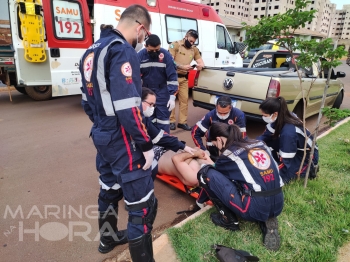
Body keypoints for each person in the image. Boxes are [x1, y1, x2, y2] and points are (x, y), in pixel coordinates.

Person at [79, 6, 158, 261]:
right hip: (121, 137)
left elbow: (85, 102)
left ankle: (107, 238)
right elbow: (128, 107)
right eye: (145, 35)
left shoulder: (90, 52)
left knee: (109, 190)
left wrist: (102, 124)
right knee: (142, 206)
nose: (143, 40)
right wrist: (145, 145)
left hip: (101, 134)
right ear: (140, 28)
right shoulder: (122, 50)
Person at [197, 122, 284, 251]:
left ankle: (229, 220)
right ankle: (265, 217)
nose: (217, 148)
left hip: (254, 207)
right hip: (278, 202)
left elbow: (218, 179)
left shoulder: (229, 155)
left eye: (215, 145)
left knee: (206, 173)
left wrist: (200, 200)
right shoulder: (259, 144)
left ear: (220, 139)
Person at [257, 96, 319, 184]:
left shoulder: (288, 134)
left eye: (265, 115)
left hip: (307, 156)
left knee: (280, 178)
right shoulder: (282, 116)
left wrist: (272, 175)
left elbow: (286, 162)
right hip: (295, 147)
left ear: (275, 114)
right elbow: (265, 136)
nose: (263, 117)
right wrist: (252, 145)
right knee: (265, 143)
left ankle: (310, 169)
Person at [138, 34, 178, 133]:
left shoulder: (166, 55)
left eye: (157, 50)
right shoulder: (140, 56)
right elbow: (135, 77)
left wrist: (172, 97)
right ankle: (151, 144)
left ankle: (164, 145)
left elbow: (172, 77)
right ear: (145, 46)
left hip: (162, 92)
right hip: (147, 92)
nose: (155, 53)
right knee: (148, 119)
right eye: (152, 50)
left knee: (163, 120)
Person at [168, 29, 205, 131]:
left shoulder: (194, 50)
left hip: (184, 79)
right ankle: (171, 121)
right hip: (172, 78)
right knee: (172, 100)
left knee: (184, 101)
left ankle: (182, 122)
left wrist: (200, 65)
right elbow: (170, 61)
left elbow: (201, 62)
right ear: (186, 36)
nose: (192, 43)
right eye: (191, 40)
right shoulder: (175, 45)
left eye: (194, 42)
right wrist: (182, 66)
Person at [191, 95, 246, 161]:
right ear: (216, 107)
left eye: (225, 113)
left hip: (230, 141)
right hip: (212, 142)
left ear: (230, 108)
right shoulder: (210, 115)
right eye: (220, 113)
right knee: (213, 160)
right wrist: (203, 149)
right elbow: (195, 132)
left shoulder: (239, 115)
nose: (222, 116)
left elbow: (242, 136)